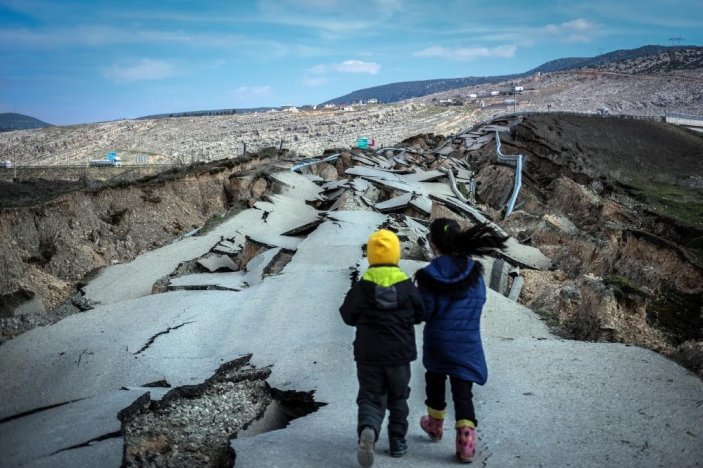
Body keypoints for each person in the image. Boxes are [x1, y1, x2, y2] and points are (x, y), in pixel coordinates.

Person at [414, 218, 508, 463]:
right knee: (462, 392)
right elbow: (480, 301)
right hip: (467, 341)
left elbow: (425, 311)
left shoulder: (428, 275)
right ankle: (466, 442)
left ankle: (434, 425)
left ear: (434, 245)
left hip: (437, 341)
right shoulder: (474, 272)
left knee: (434, 380)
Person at [340, 228, 425, 467]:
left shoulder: (361, 287)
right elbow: (422, 313)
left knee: (369, 396)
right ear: (396, 255)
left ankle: (369, 429)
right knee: (398, 397)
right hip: (399, 354)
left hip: (368, 355)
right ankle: (397, 442)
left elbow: (347, 316)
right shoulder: (407, 287)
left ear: (371, 256)